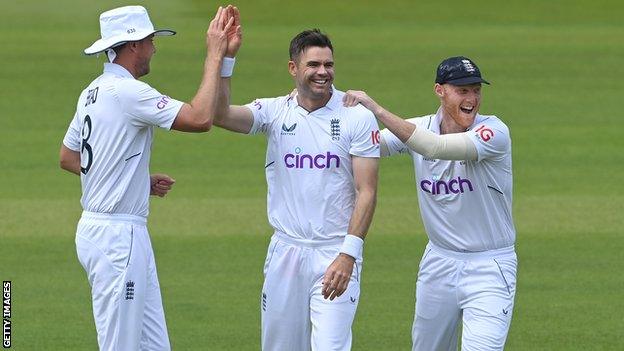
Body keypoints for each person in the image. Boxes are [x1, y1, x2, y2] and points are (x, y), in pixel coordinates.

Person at [59, 5, 235, 350]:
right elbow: (200, 119)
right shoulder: (129, 92)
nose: (154, 47)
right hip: (117, 237)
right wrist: (215, 55)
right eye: (151, 40)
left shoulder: (92, 91)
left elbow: (68, 158)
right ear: (133, 44)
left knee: (153, 345)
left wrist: (133, 179)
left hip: (111, 232)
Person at [213, 10, 380, 350]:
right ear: (293, 69)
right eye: (314, 65)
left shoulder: (356, 117)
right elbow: (220, 115)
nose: (323, 73)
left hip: (335, 252)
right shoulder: (274, 111)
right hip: (286, 251)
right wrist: (226, 59)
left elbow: (367, 191)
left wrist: (348, 255)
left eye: (328, 65)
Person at [343, 56, 517, 350]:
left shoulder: (494, 132)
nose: (472, 98)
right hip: (439, 262)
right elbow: (364, 146)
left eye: (476, 90)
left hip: (490, 265)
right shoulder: (421, 127)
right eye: (462, 90)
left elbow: (434, 147)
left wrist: (375, 108)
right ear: (440, 90)